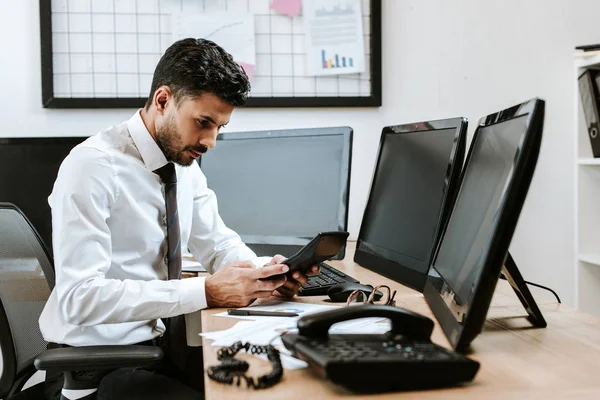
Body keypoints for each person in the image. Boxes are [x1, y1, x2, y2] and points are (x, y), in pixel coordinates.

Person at [39, 38, 318, 399]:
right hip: (93, 366)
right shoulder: (92, 166)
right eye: (203, 122)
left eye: (220, 126)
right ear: (163, 100)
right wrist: (206, 290)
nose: (212, 141)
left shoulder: (182, 160)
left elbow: (217, 242)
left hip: (152, 350)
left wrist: (262, 276)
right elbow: (79, 298)